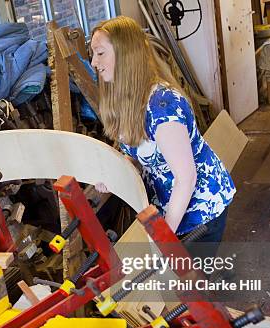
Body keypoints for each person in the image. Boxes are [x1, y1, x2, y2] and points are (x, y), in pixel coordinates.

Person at [90, 16, 235, 246]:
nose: (93, 63)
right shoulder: (130, 100)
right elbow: (142, 155)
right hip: (169, 206)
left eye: (100, 53)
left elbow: (186, 178)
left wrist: (165, 239)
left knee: (188, 280)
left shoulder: (162, 107)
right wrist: (115, 171)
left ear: (126, 54)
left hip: (199, 209)